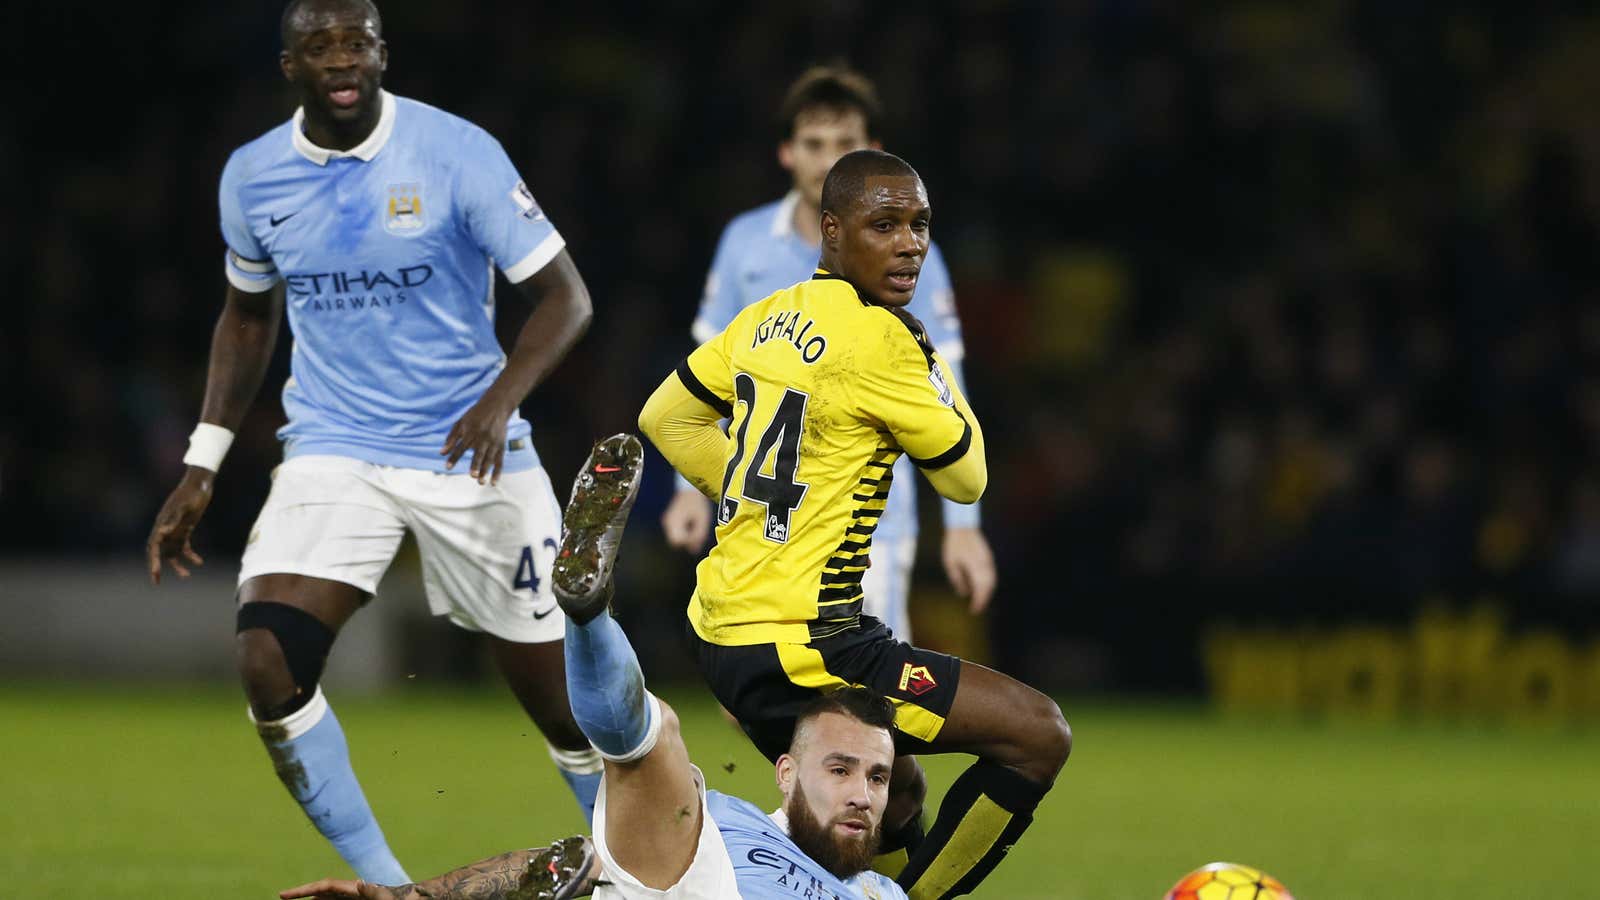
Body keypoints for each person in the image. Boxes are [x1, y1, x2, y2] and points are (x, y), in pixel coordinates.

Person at [143, 0, 603, 885]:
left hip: (473, 453)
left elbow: (566, 299)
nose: (343, 58)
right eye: (321, 46)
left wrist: (501, 400)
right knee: (267, 660)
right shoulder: (252, 178)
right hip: (334, 446)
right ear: (291, 67)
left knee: (568, 710)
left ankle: (655, 868)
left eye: (358, 41)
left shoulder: (455, 151)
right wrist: (203, 461)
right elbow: (246, 318)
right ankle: (389, 886)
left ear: (383, 54)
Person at [638, 150, 1071, 899]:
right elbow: (967, 475)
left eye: (920, 224)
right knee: (1037, 735)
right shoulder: (884, 339)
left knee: (896, 793)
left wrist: (746, 494)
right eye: (885, 224)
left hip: (719, 632)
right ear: (831, 232)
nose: (909, 243)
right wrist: (928, 352)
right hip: (811, 645)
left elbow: (664, 416)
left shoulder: (767, 315)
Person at [279, 434, 910, 900]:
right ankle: (585, 611)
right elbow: (575, 864)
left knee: (644, 772)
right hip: (695, 873)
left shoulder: (883, 895)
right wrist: (407, 897)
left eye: (877, 778)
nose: (861, 793)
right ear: (786, 773)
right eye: (839, 769)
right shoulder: (726, 825)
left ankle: (587, 617)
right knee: (654, 747)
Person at [660, 65, 996, 640]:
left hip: (870, 524)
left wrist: (963, 527)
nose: (829, 161)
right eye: (815, 144)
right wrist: (691, 491)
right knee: (761, 687)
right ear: (787, 153)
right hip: (765, 511)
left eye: (846, 145)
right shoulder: (744, 243)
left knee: (861, 699)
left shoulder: (908, 252)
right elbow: (704, 377)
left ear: (875, 152)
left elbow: (946, 381)